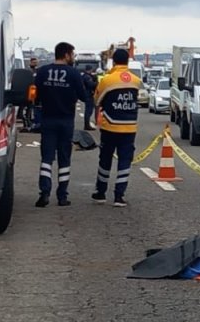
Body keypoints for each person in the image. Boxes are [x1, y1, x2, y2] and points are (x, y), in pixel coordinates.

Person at [34, 43, 89, 207]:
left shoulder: (43, 72)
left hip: (48, 119)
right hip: (66, 120)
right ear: (66, 55)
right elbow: (83, 96)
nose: (73, 57)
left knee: (46, 159)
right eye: (72, 54)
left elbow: (35, 95)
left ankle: (44, 193)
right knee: (64, 159)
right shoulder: (73, 73)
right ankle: (62, 196)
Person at [92, 48, 141, 207]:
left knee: (105, 159)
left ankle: (100, 193)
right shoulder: (135, 80)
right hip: (129, 128)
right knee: (125, 161)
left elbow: (97, 100)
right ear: (127, 61)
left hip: (110, 126)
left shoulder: (107, 80)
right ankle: (119, 196)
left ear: (113, 61)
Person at [81, 64, 99, 131]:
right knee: (88, 110)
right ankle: (87, 125)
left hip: (87, 94)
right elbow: (91, 85)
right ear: (89, 69)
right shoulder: (87, 77)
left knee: (89, 110)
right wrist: (96, 83)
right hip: (88, 95)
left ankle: (87, 125)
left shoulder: (85, 76)